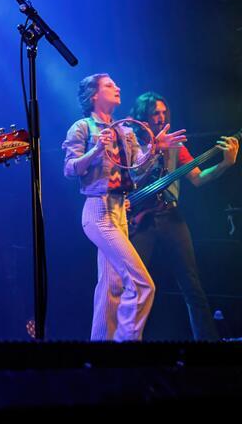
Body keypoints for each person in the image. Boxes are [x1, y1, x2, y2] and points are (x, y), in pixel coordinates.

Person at [62, 73, 185, 341]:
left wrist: (154, 148)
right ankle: (126, 344)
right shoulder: (83, 127)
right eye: (109, 85)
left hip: (120, 210)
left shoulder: (125, 131)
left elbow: (137, 171)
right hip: (98, 210)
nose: (117, 87)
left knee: (111, 287)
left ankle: (100, 351)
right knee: (142, 285)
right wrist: (96, 150)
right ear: (94, 95)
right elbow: (70, 169)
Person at [129, 92, 239, 340]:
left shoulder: (175, 146)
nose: (161, 118)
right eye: (155, 113)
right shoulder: (131, 143)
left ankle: (207, 342)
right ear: (143, 117)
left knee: (192, 285)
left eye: (164, 113)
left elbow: (198, 178)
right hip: (140, 219)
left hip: (170, 216)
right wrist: (154, 150)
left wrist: (225, 164)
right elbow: (130, 179)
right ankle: (126, 341)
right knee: (134, 284)